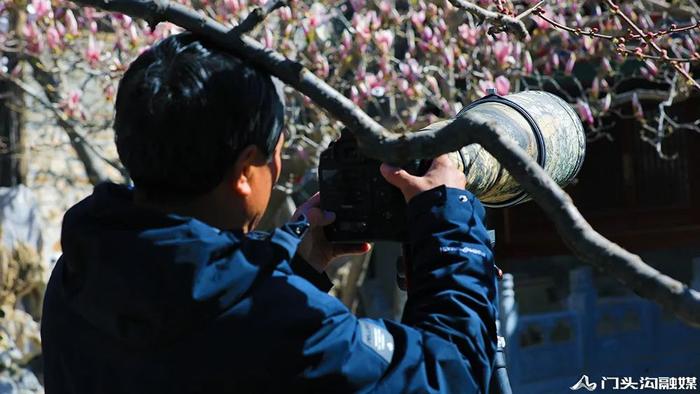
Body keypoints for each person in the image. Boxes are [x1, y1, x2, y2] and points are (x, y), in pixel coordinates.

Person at [41, 33, 498, 393]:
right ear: (245, 172)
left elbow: (197, 328)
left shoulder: (77, 278)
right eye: (275, 153)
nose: (278, 169)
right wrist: (449, 229)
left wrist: (295, 264)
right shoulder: (288, 331)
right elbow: (449, 374)